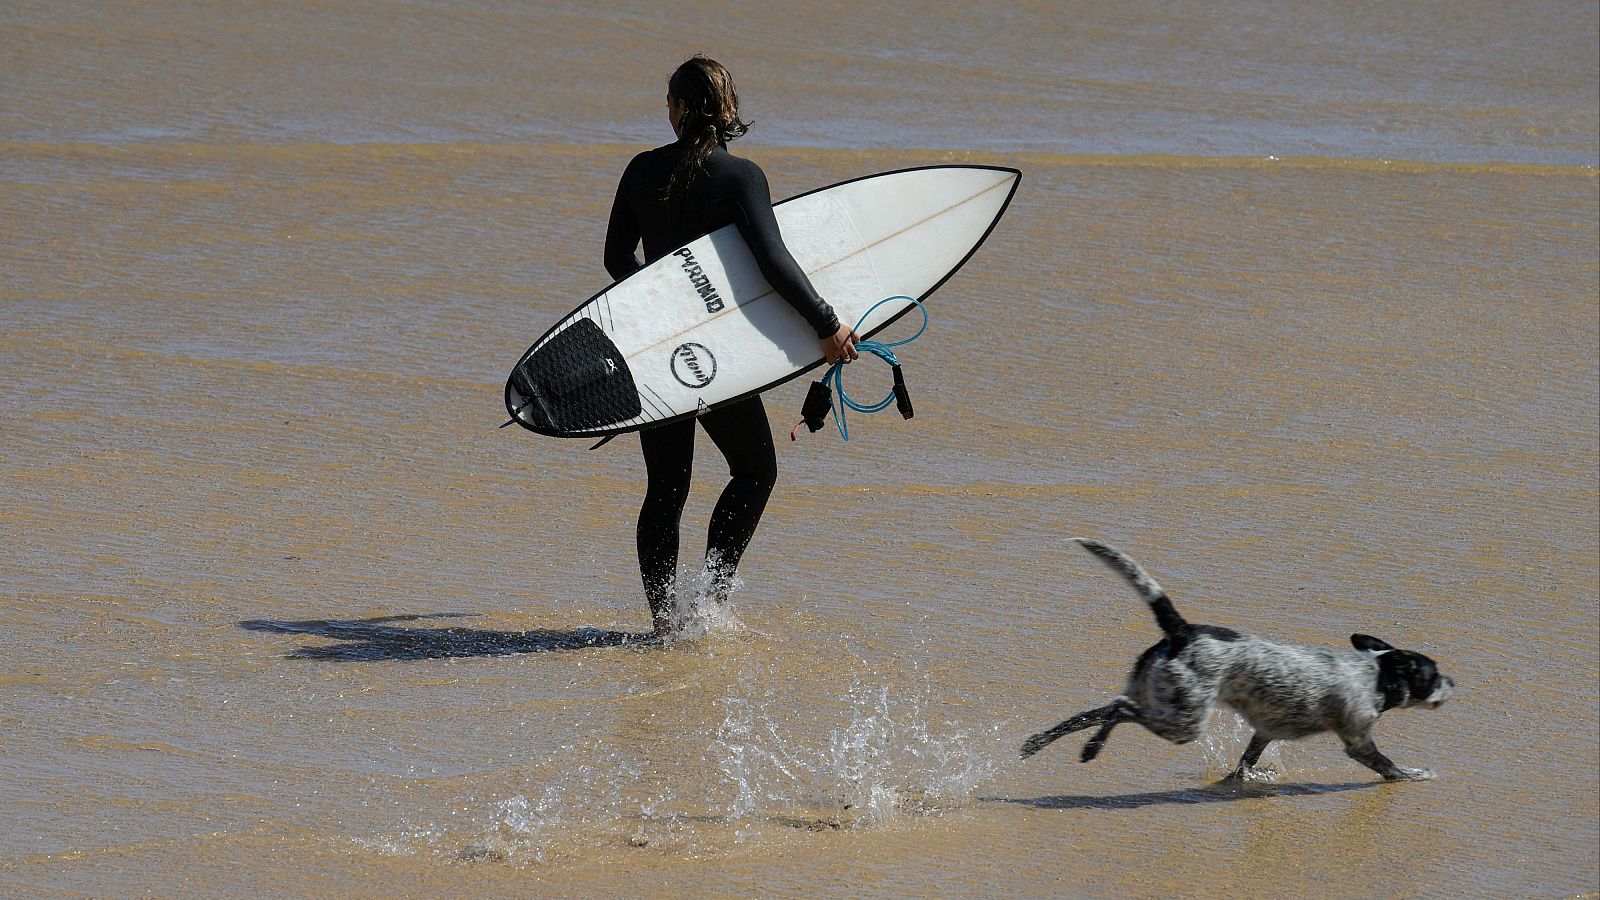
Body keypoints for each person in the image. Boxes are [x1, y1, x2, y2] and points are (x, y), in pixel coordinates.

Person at [604, 55, 858, 638]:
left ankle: (665, 624)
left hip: (661, 350)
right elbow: (773, 262)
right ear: (725, 111)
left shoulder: (641, 170)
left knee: (666, 488)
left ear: (680, 109)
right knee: (754, 468)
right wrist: (825, 323)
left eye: (670, 103)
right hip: (717, 356)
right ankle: (713, 603)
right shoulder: (740, 177)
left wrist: (663, 302)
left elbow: (618, 259)